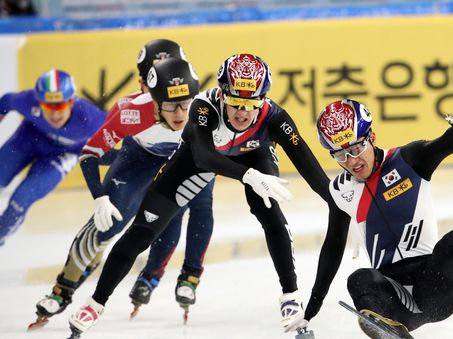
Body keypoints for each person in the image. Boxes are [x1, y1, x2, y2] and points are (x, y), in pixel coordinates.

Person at [67, 53, 343, 337]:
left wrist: (335, 203)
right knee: (142, 232)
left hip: (254, 155)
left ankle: (290, 297)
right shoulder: (203, 108)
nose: (243, 112)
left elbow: (307, 163)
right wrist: (248, 175)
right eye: (236, 102)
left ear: (263, 100)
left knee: (269, 211)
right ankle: (95, 303)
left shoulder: (274, 117)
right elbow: (202, 156)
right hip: (198, 161)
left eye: (252, 104)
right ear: (222, 95)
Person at [286, 99, 453, 338]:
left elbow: (445, 145)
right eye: (340, 155)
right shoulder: (339, 191)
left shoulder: (408, 159)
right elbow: (333, 246)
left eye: (355, 149)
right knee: (359, 278)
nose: (351, 161)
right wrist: (312, 307)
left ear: (371, 137)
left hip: (434, 285)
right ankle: (390, 331)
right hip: (394, 300)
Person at [30, 41, 214, 329]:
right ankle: (63, 289)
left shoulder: (206, 112)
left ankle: (173, 275)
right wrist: (100, 196)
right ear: (149, 94)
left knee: (192, 209)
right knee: (106, 226)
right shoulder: (131, 111)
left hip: (186, 159)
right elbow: (92, 152)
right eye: (169, 105)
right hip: (140, 157)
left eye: (185, 104)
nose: (179, 114)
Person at [0, 69, 106, 246]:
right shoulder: (28, 101)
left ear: (71, 102)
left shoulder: (91, 119)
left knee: (20, 201)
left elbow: (123, 130)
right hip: (28, 138)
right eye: (48, 106)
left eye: (60, 106)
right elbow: (6, 101)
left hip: (63, 154)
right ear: (39, 102)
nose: (54, 114)